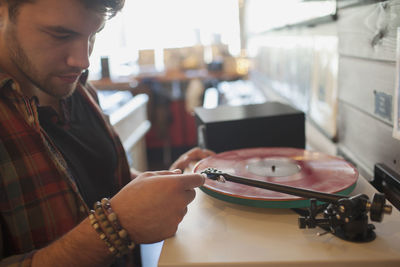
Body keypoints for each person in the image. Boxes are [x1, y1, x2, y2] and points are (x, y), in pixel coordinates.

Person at [0, 0, 214, 266]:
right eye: (61, 35)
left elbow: (96, 183)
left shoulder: (78, 89)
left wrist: (160, 185)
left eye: (94, 35)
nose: (82, 60)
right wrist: (115, 226)